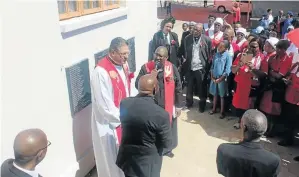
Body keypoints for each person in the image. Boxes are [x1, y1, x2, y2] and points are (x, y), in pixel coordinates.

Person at [91, 37, 133, 177]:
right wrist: (125, 118)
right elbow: (105, 107)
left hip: (124, 116)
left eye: (128, 53)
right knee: (112, 161)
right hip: (109, 124)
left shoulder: (124, 65)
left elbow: (127, 88)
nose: (126, 57)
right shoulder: (100, 72)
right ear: (112, 52)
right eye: (123, 54)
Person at [117, 74, 172, 177]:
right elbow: (167, 144)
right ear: (155, 89)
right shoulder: (161, 114)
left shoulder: (124, 103)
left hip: (128, 160)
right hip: (148, 164)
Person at [135, 46, 183, 157]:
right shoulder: (146, 68)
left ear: (166, 58)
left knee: (167, 129)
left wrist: (179, 105)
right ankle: (154, 148)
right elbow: (137, 84)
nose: (157, 57)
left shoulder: (172, 68)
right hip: (152, 105)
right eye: (156, 54)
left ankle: (167, 149)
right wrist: (150, 77)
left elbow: (178, 87)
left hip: (167, 105)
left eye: (160, 56)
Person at [216, 109, 281, 177]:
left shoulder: (224, 149)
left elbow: (223, 171)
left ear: (244, 127)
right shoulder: (273, 161)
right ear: (265, 129)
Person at [259, 40, 293, 136]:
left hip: (278, 88)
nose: (277, 50)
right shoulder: (273, 57)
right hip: (269, 86)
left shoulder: (287, 59)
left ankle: (271, 131)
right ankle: (264, 128)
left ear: (284, 50)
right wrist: (273, 72)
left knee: (274, 111)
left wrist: (272, 72)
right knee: (265, 108)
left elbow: (279, 76)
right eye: (277, 48)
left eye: (279, 49)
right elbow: (270, 71)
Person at [232, 38, 266, 129]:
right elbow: (233, 70)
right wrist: (239, 64)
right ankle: (240, 121)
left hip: (252, 86)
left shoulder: (262, 58)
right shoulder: (243, 55)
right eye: (250, 46)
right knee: (240, 105)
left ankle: (249, 126)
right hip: (241, 85)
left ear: (259, 47)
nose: (251, 48)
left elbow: (264, 75)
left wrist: (253, 69)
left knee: (250, 106)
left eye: (254, 47)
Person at [184, 23, 212, 112]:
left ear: (202, 31)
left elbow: (209, 54)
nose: (195, 31)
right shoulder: (187, 38)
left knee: (201, 87)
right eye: (194, 29)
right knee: (189, 86)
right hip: (190, 66)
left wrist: (206, 67)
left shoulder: (207, 40)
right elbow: (185, 51)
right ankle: (189, 102)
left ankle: (202, 105)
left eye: (198, 30)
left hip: (200, 68)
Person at [209, 40, 232, 119]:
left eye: (221, 47)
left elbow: (227, 70)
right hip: (214, 78)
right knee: (215, 94)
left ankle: (222, 112)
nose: (219, 47)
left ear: (226, 48)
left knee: (222, 96)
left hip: (221, 79)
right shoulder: (216, 55)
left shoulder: (228, 56)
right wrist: (212, 76)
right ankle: (214, 109)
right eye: (219, 46)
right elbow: (212, 66)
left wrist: (221, 78)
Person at [278, 62, 299, 146]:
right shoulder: (296, 65)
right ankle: (287, 139)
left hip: (297, 100)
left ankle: (289, 140)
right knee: (288, 120)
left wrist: (293, 84)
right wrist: (287, 80)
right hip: (289, 96)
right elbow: (289, 75)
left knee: (293, 121)